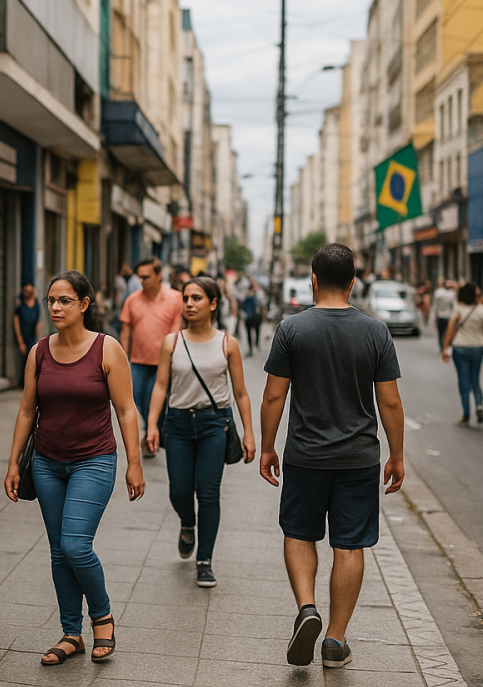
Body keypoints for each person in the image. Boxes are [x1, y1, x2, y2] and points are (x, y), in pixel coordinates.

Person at [259, 243, 405, 670]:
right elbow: (390, 402)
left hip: (305, 455)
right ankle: (335, 641)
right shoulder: (376, 331)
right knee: (350, 545)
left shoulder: (292, 329)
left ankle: (307, 608)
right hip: (359, 458)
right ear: (354, 282)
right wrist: (397, 455)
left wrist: (267, 447)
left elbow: (273, 396)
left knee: (299, 533)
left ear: (313, 279)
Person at [4, 270, 145, 666]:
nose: (55, 307)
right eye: (51, 300)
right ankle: (71, 633)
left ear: (84, 304)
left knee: (75, 545)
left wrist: (134, 463)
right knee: (57, 551)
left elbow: (126, 410)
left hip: (94, 460)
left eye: (64, 300)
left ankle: (102, 617)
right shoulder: (39, 352)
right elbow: (26, 410)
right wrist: (13, 463)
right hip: (47, 463)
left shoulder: (106, 349)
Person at [145, 277, 257, 588]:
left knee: (208, 493)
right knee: (179, 491)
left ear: (213, 303)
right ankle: (187, 522)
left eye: (196, 298)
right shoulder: (172, 342)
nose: (189, 304)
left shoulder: (227, 344)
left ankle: (204, 561)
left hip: (214, 424)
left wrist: (249, 433)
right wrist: (152, 424)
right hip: (178, 424)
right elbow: (161, 386)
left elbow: (241, 393)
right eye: (186, 298)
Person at [118, 257, 185, 457]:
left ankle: (150, 433)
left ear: (159, 275)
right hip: (137, 360)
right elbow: (126, 330)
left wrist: (172, 357)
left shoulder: (175, 298)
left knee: (152, 399)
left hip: (162, 363)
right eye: (140, 277)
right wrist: (122, 358)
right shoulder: (132, 300)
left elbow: (176, 329)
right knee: (135, 397)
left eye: (146, 277)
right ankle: (152, 429)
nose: (142, 281)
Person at [441, 283, 483, 425]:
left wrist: (445, 348)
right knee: (475, 379)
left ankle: (466, 414)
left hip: (460, 348)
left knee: (463, 381)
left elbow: (451, 328)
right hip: (478, 347)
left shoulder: (459, 309)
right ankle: (479, 405)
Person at [13, 283, 42, 388]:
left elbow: (39, 322)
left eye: (29, 291)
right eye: (25, 291)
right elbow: (16, 322)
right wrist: (20, 341)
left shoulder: (37, 306)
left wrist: (38, 337)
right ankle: (23, 383)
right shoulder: (20, 307)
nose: (27, 293)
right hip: (23, 336)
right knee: (24, 360)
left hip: (32, 337)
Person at [240, 281, 264, 356]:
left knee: (251, 333)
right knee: (255, 332)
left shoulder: (247, 297)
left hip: (250, 317)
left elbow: (242, 306)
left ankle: (252, 347)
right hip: (254, 317)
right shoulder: (256, 297)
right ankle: (255, 345)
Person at [432, 280, 457, 350]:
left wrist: (435, 316)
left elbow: (435, 305)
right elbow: (454, 306)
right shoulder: (452, 294)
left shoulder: (438, 293)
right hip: (448, 315)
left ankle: (442, 345)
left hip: (441, 315)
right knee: (447, 332)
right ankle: (446, 345)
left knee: (441, 332)